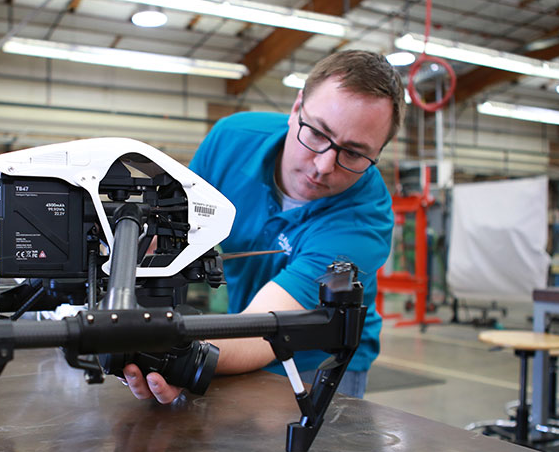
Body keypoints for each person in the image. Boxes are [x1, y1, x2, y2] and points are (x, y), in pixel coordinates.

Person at [122, 50, 404, 404]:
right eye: (318, 133)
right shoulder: (231, 142)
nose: (323, 165)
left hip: (317, 363)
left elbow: (264, 329)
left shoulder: (363, 220)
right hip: (236, 332)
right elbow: (170, 233)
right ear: (296, 107)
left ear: (378, 153)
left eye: (354, 153)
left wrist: (167, 352)